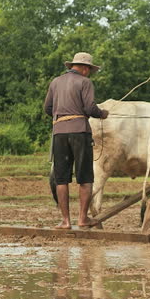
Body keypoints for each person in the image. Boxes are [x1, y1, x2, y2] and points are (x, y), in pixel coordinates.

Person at [43, 52, 109, 229]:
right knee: (85, 178)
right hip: (80, 132)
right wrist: (102, 114)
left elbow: (47, 108)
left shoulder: (55, 82)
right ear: (85, 69)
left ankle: (65, 221)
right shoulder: (85, 82)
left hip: (59, 133)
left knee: (62, 179)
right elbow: (90, 107)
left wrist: (62, 116)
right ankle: (82, 219)